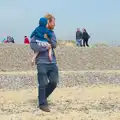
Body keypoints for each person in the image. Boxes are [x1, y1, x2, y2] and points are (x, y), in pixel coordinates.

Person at [30, 14, 59, 112]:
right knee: (42, 83)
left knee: (54, 82)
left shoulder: (52, 33)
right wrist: (45, 47)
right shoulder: (37, 32)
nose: (55, 24)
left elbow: (54, 45)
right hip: (41, 62)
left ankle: (42, 97)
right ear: (48, 22)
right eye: (53, 21)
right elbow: (33, 45)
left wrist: (48, 38)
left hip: (52, 62)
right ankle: (42, 104)